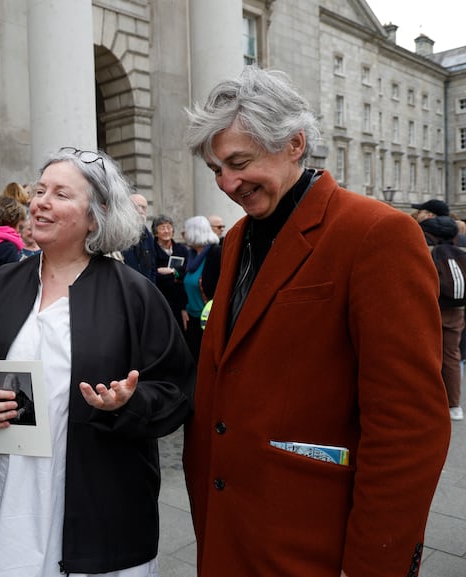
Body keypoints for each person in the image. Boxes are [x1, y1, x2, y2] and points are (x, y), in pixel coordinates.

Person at [182, 66, 450, 577]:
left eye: (239, 162)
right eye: (216, 168)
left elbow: (408, 425)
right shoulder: (237, 238)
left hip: (315, 542)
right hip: (230, 530)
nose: (227, 183)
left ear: (295, 144)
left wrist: (376, 564)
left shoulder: (378, 233)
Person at [0, 146, 195, 577]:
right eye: (39, 191)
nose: (40, 201)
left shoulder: (134, 295)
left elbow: (176, 387)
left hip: (97, 500)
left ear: (95, 216)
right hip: (6, 491)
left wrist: (127, 403)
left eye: (60, 194)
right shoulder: (1, 284)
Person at [420, 215, 466, 420]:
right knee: (452, 356)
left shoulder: (429, 252)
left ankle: (428, 402)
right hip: (457, 309)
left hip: (432, 308)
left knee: (425, 355)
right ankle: (454, 405)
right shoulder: (461, 253)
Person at [181, 215, 221, 362]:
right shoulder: (191, 255)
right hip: (192, 318)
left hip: (210, 319)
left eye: (185, 231)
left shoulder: (215, 253)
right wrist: (183, 308)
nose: (183, 234)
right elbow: (184, 282)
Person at [151, 214, 190, 329]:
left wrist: (173, 272)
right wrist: (175, 274)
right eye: (162, 228)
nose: (166, 231)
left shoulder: (181, 249)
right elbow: (154, 274)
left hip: (181, 301)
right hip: (161, 299)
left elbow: (187, 271)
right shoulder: (151, 251)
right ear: (156, 232)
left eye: (169, 227)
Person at [121, 193, 157, 282]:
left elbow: (153, 265)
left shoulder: (147, 235)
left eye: (143, 207)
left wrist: (150, 287)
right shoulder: (118, 232)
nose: (140, 211)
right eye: (135, 207)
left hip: (145, 288)